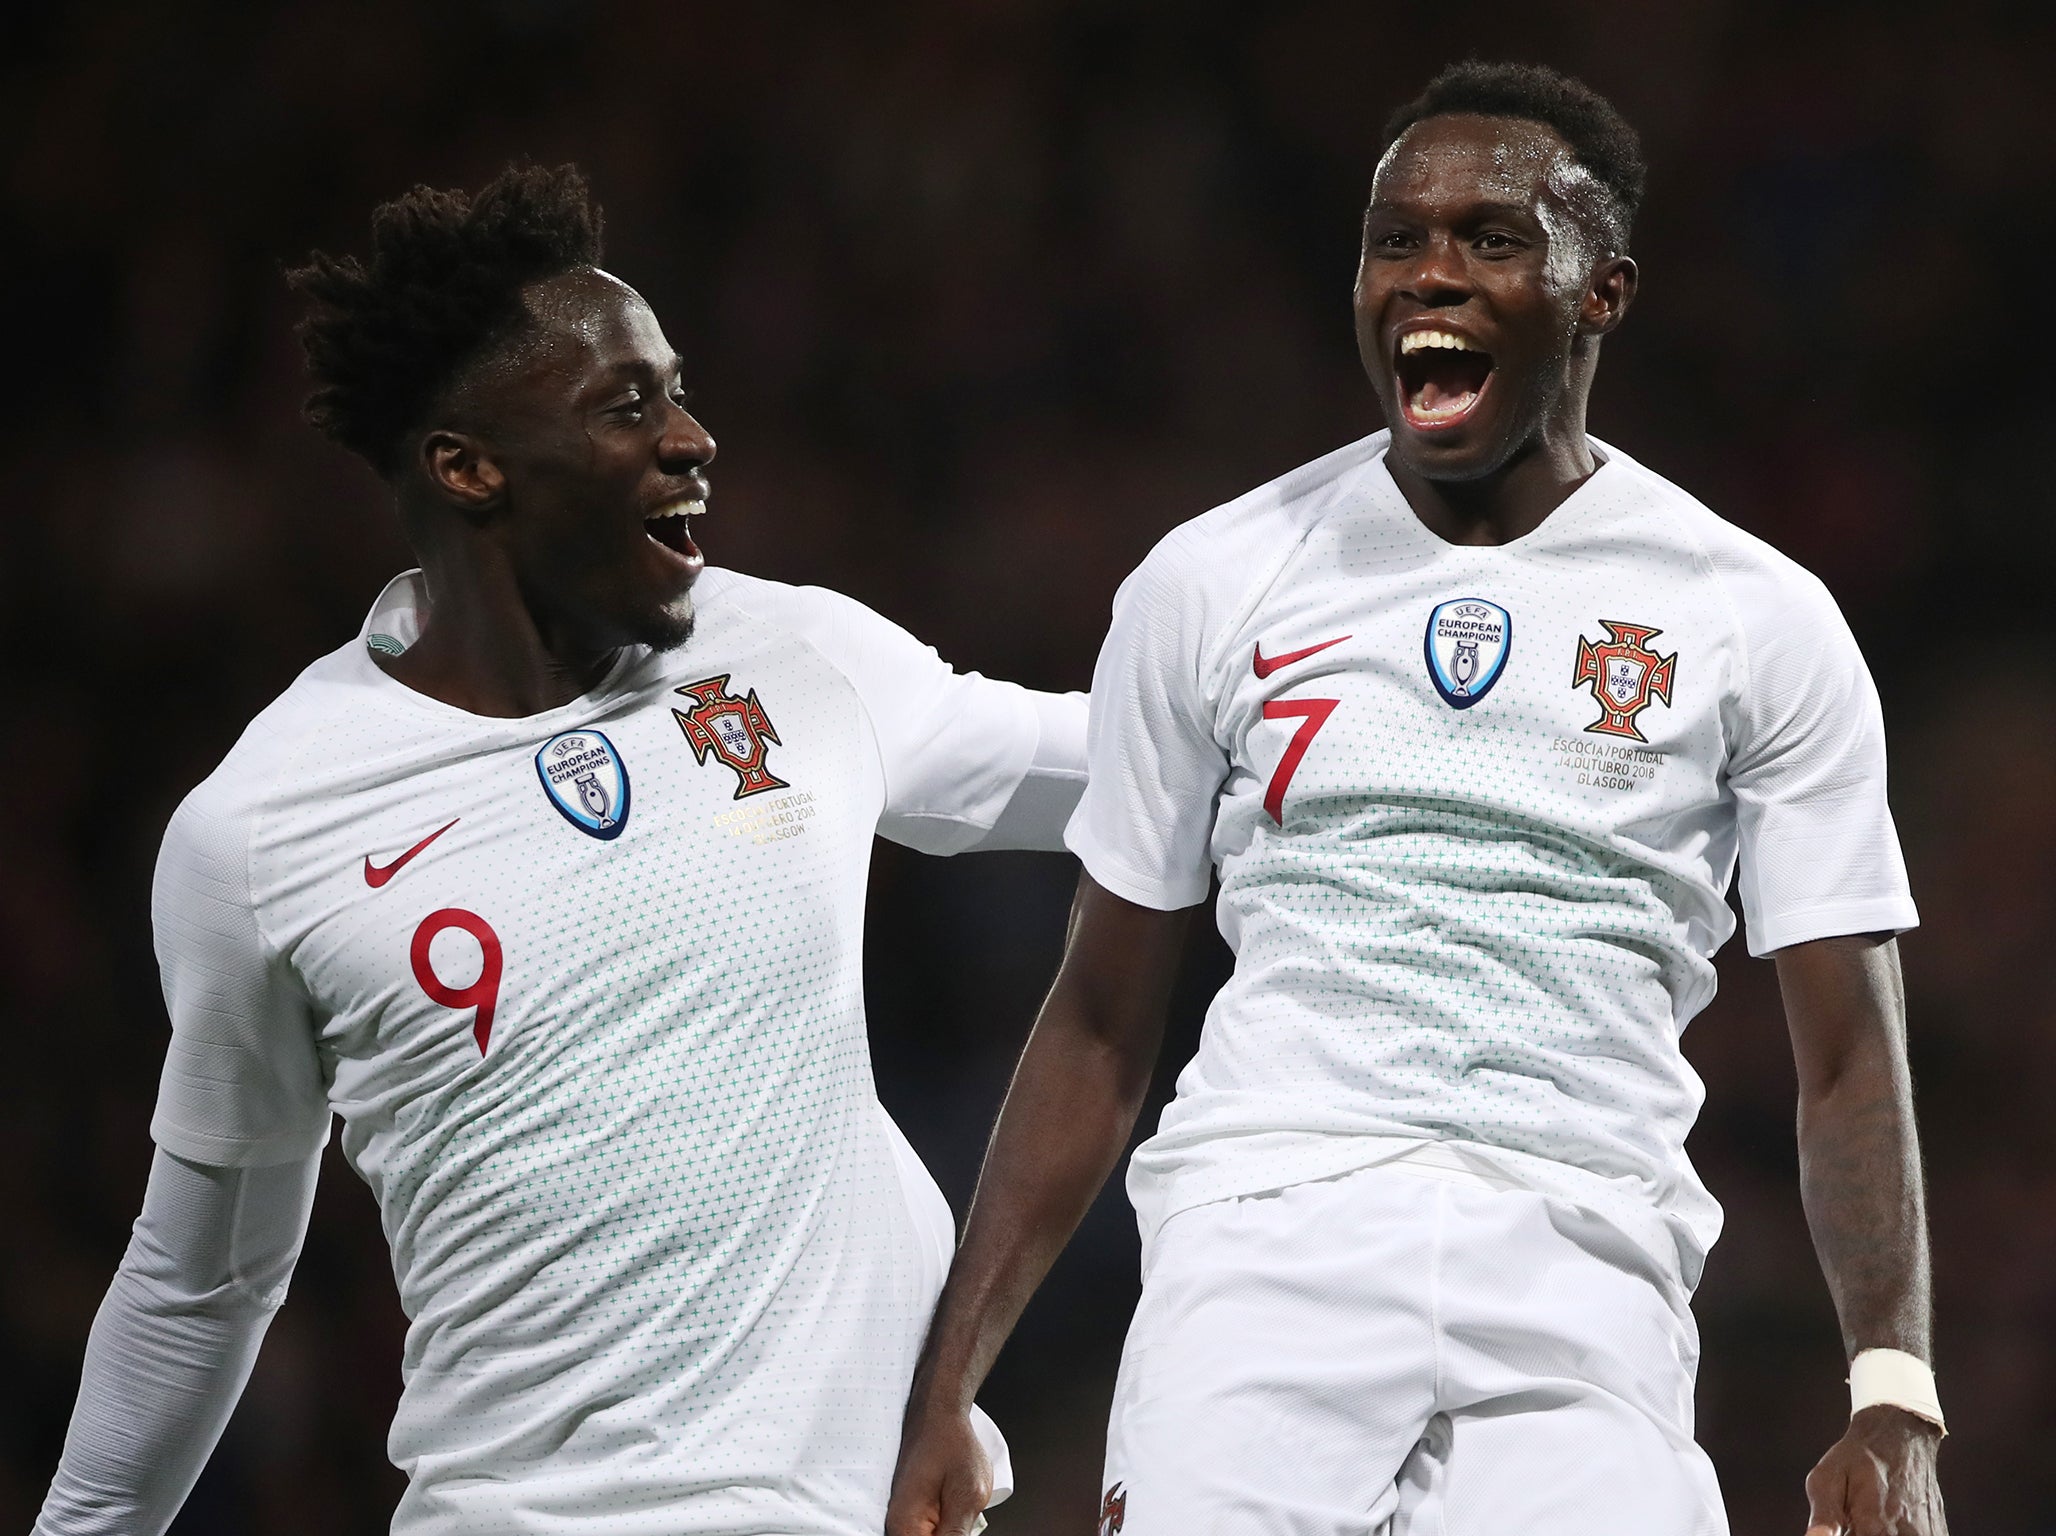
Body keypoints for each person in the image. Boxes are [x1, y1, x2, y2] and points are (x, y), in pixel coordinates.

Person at [888, 61, 1947, 1536]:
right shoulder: (1215, 579)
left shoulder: (1755, 618)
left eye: (1494, 239)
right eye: (1395, 239)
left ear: (1604, 291)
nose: (1429, 273)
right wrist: (951, 1385)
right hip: (1268, 1242)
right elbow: (1096, 1019)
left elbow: (1848, 1057)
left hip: (1587, 1253)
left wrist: (1891, 1388)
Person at [33, 163, 1084, 1536]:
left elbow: (1109, 760)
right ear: (468, 467)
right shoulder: (265, 829)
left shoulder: (789, 652)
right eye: (627, 405)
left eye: (680, 387)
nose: (695, 437)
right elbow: (203, 1279)